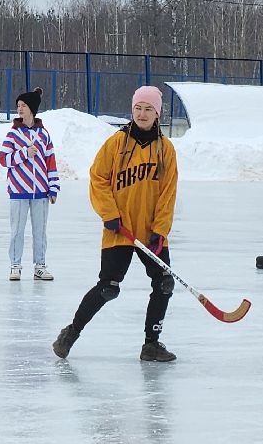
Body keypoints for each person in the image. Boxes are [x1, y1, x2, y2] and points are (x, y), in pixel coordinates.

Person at [52, 86, 178, 362]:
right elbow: (98, 178)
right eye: (138, 108)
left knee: (164, 283)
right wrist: (109, 213)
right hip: (119, 230)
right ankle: (70, 333)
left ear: (157, 114)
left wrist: (160, 230)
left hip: (150, 233)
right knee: (108, 287)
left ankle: (151, 345)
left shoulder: (165, 149)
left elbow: (168, 193)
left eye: (148, 109)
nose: (142, 114)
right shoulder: (116, 143)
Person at [0, 86, 59, 281]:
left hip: (41, 192)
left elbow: (51, 162)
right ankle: (15, 265)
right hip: (18, 191)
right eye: (18, 105)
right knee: (17, 231)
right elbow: (3, 159)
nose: (19, 109)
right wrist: (24, 153)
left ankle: (40, 266)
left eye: (23, 105)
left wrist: (53, 188)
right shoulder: (13, 134)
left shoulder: (44, 135)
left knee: (40, 232)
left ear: (32, 108)